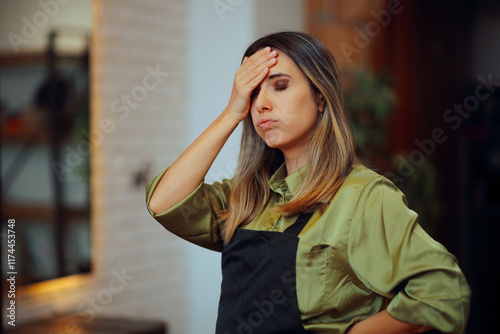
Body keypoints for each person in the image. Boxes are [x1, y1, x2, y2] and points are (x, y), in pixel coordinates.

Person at [146, 31, 471, 334]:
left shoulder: (363, 197)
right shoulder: (247, 197)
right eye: (253, 92)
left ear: (320, 97)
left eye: (280, 85)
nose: (260, 104)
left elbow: (442, 295)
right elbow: (163, 202)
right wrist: (232, 112)